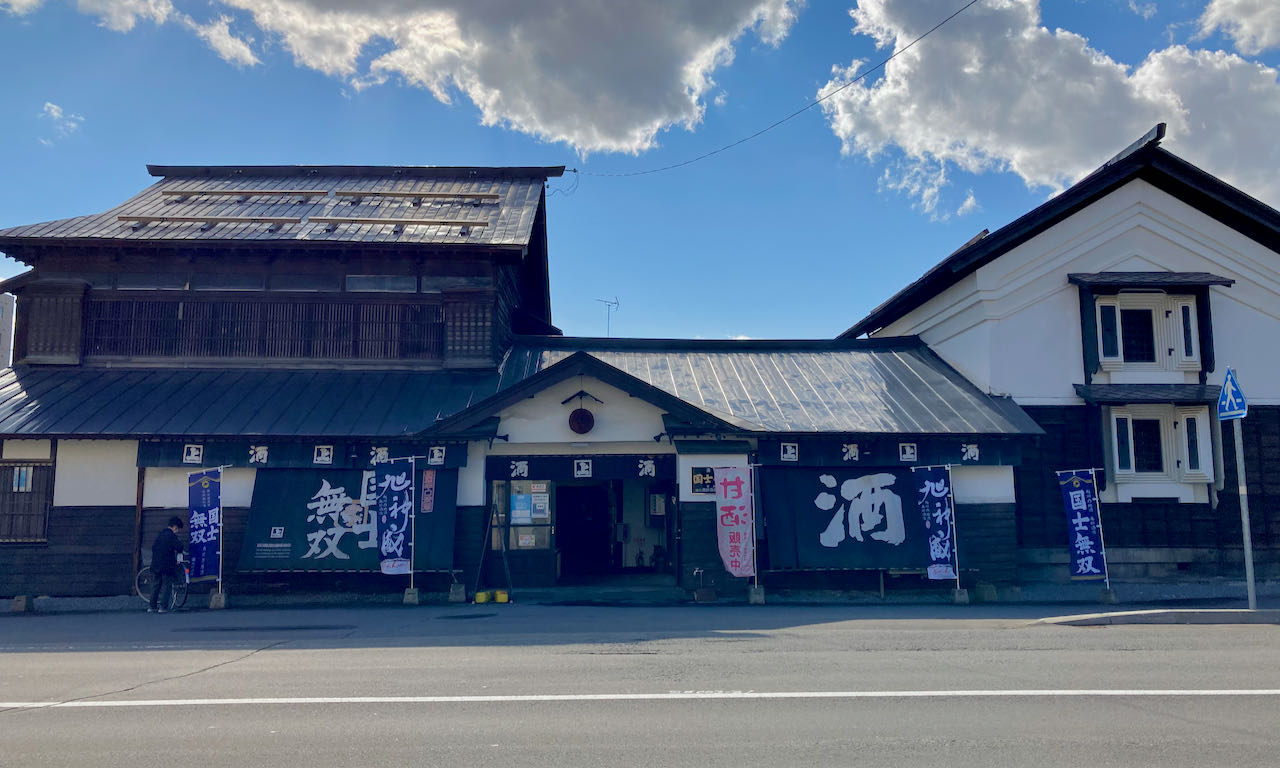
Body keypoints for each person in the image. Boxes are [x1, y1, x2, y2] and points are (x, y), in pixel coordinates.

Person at [149, 516, 184, 613]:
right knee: (167, 585)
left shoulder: (160, 534)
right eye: (178, 529)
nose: (177, 531)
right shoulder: (171, 536)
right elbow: (179, 547)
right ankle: (163, 607)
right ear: (175, 527)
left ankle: (152, 607)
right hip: (166, 565)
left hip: (155, 564)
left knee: (156, 585)